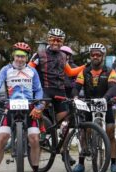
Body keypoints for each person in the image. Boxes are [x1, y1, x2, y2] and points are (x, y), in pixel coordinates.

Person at [0, 42, 45, 172]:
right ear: (13, 56)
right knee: (3, 137)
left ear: (27, 58)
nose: (20, 59)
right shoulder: (6, 70)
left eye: (23, 56)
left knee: (34, 138)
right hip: (11, 107)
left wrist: (39, 106)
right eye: (18, 56)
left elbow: (38, 90)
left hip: (29, 107)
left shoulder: (32, 71)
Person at [28, 28, 84, 163]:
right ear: (48, 39)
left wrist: (85, 66)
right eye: (53, 39)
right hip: (44, 90)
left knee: (64, 124)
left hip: (60, 91)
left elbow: (70, 72)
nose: (56, 42)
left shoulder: (63, 56)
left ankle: (64, 152)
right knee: (37, 113)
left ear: (62, 42)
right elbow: (28, 70)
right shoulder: (39, 54)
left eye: (59, 40)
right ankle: (39, 137)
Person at [71, 43, 116, 172]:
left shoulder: (110, 71)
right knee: (83, 131)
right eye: (93, 54)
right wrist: (75, 96)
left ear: (103, 56)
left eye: (98, 54)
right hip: (88, 103)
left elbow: (113, 87)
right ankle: (80, 162)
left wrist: (105, 98)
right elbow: (76, 86)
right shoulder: (85, 71)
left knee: (110, 133)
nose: (95, 57)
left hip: (105, 103)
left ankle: (114, 163)